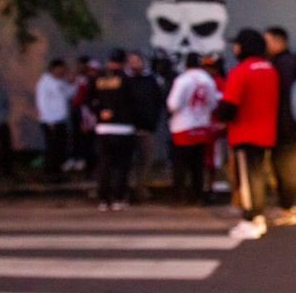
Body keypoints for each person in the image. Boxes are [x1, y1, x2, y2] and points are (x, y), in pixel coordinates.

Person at [216, 29, 279, 239]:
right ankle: (258, 217)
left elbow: (228, 106)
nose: (234, 48)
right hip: (266, 131)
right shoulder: (270, 69)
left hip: (244, 131)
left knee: (246, 180)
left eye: (237, 44)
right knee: (257, 176)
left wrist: (218, 115)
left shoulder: (241, 71)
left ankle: (249, 219)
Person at [264, 26, 296, 226]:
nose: (264, 44)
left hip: (288, 127)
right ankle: (286, 207)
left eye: (267, 40)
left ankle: (287, 210)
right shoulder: (293, 61)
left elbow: (282, 97)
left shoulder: (282, 64)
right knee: (286, 166)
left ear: (278, 41)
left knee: (284, 167)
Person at [86, 49, 138, 210]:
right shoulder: (127, 79)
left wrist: (100, 112)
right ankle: (118, 198)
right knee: (122, 165)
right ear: (122, 63)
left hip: (103, 128)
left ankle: (103, 199)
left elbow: (87, 99)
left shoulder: (97, 78)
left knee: (105, 164)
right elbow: (134, 102)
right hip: (123, 128)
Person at [166, 52, 220, 204]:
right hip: (201, 127)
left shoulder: (182, 80)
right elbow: (213, 103)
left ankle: (178, 197)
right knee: (198, 166)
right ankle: (197, 196)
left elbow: (173, 104)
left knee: (180, 166)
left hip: (182, 127)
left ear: (185, 64)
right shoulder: (208, 80)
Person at [126, 51, 164, 202]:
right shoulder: (125, 81)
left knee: (145, 162)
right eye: (131, 61)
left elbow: (157, 103)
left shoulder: (151, 81)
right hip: (128, 129)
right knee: (128, 162)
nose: (134, 64)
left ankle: (142, 191)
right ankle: (127, 191)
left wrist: (152, 122)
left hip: (147, 128)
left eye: (136, 60)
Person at [35, 58, 72, 182]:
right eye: (61, 68)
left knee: (61, 146)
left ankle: (58, 172)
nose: (63, 71)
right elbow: (42, 102)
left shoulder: (62, 81)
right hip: (50, 121)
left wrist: (73, 83)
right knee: (52, 147)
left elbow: (68, 94)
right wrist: (48, 119)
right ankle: (50, 173)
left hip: (61, 119)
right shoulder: (44, 82)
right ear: (54, 68)